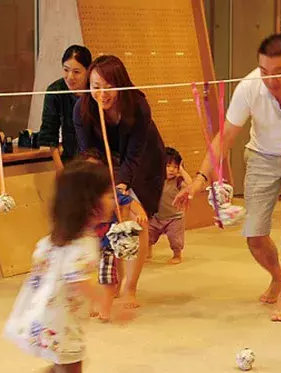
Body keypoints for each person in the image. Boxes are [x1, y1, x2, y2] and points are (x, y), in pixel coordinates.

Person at [5, 160, 130, 373]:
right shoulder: (83, 244)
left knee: (60, 368)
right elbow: (78, 280)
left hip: (38, 316)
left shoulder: (53, 239)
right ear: (89, 205)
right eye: (109, 195)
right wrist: (109, 304)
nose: (115, 200)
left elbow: (43, 269)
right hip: (58, 323)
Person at [175, 34, 281, 322]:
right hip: (261, 156)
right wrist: (199, 180)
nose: (271, 80)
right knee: (254, 235)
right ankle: (279, 277)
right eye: (265, 72)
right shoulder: (249, 87)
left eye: (279, 72)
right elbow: (225, 138)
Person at [74, 55, 167, 308]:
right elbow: (88, 153)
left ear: (121, 84)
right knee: (108, 223)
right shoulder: (82, 110)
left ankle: (130, 288)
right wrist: (98, 184)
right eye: (95, 86)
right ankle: (114, 282)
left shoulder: (137, 105)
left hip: (143, 164)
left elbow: (135, 155)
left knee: (137, 224)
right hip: (104, 164)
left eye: (108, 86)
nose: (102, 93)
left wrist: (122, 184)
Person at [80, 148, 146, 321]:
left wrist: (140, 214)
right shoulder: (80, 195)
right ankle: (95, 302)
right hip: (88, 244)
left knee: (107, 277)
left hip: (108, 243)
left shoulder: (112, 192)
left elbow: (130, 203)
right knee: (87, 277)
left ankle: (105, 307)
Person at [37, 45, 92, 170]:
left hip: (97, 162)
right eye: (66, 70)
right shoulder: (55, 91)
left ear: (88, 71)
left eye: (76, 72)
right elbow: (50, 133)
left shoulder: (95, 90)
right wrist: (60, 168)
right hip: (70, 159)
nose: (70, 77)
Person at [148, 147, 192, 265]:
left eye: (175, 167)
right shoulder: (156, 179)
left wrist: (182, 170)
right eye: (168, 166)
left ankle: (177, 255)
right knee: (148, 235)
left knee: (175, 239)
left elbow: (190, 185)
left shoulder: (178, 181)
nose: (172, 170)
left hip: (175, 217)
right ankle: (147, 251)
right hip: (156, 216)